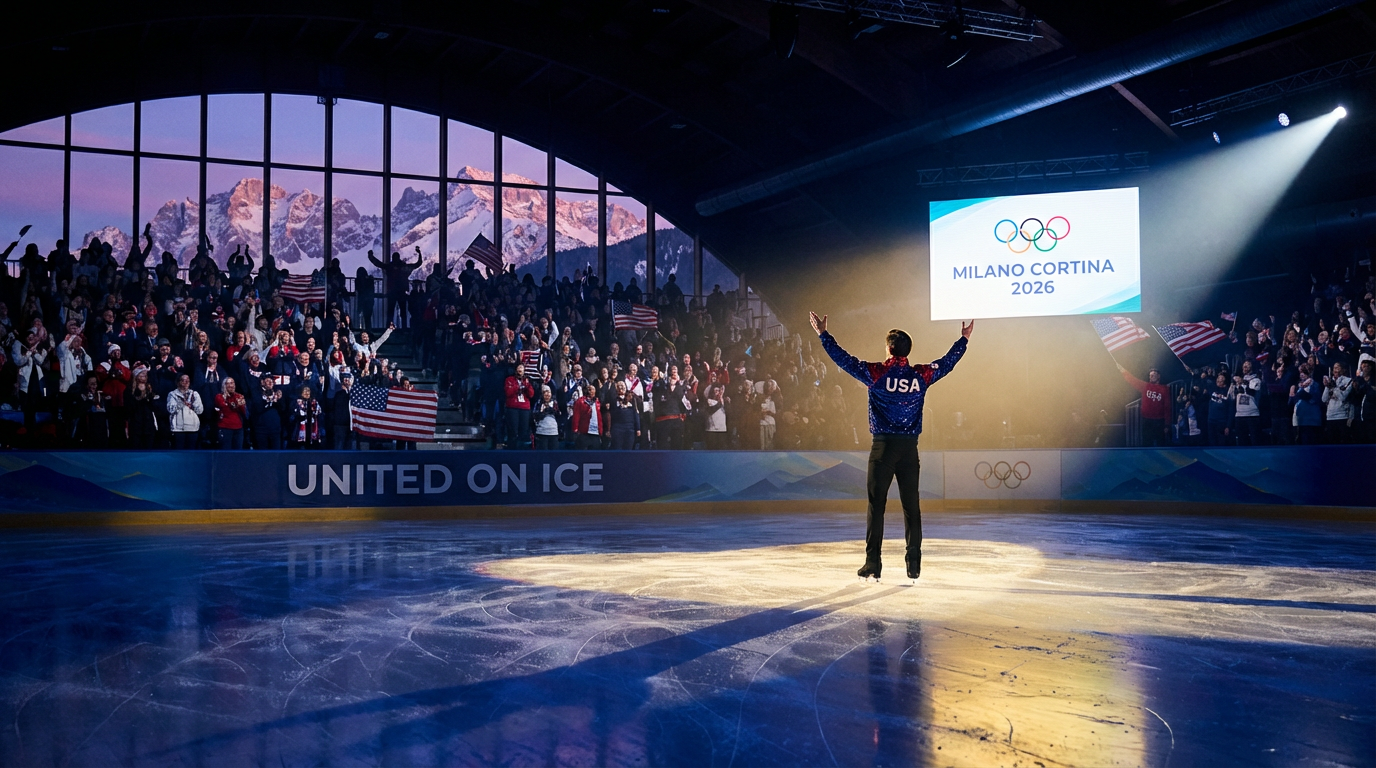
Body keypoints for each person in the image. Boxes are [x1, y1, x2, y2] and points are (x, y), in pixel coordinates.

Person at [811, 310, 972, 583]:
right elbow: (946, 364)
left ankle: (873, 563)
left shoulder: (876, 373)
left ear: (888, 348)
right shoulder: (920, 375)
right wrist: (962, 340)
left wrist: (824, 335)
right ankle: (914, 565)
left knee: (877, 506)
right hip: (910, 449)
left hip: (883, 448)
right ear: (908, 350)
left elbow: (844, 360)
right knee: (912, 507)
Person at [1117, 363, 1169, 447]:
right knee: (1147, 443)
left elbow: (1167, 407)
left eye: (1154, 375)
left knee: (1161, 444)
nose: (1152, 376)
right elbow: (1133, 380)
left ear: (1158, 376)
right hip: (1147, 420)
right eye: (1150, 375)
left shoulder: (1164, 388)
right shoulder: (1145, 386)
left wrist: (1167, 424)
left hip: (1159, 421)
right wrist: (1124, 372)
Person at [166, 374, 203, 450]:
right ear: (178, 382)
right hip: (178, 429)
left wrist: (192, 405)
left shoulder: (194, 394)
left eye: (188, 380)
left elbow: (200, 410)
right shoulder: (172, 394)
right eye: (183, 380)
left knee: (191, 453)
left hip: (193, 429)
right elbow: (171, 409)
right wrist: (182, 402)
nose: (186, 382)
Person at [503, 363, 535, 448]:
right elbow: (508, 392)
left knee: (524, 431)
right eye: (519, 367)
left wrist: (527, 385)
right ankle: (512, 450)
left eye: (522, 368)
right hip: (513, 407)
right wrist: (518, 387)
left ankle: (522, 451)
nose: (520, 370)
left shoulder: (527, 381)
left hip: (524, 408)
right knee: (513, 431)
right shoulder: (509, 379)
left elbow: (531, 394)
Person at [215, 378, 247, 449]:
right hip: (225, 428)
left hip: (238, 428)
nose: (230, 385)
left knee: (238, 453)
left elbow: (244, 413)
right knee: (226, 452)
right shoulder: (219, 397)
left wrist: (242, 405)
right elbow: (225, 407)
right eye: (228, 383)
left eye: (232, 383)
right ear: (224, 385)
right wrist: (236, 403)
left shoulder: (239, 396)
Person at [569, 383, 602, 449]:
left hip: (595, 432)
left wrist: (600, 430)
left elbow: (599, 417)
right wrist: (575, 429)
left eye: (593, 390)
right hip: (584, 432)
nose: (592, 391)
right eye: (590, 390)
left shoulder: (597, 402)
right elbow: (576, 415)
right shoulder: (580, 401)